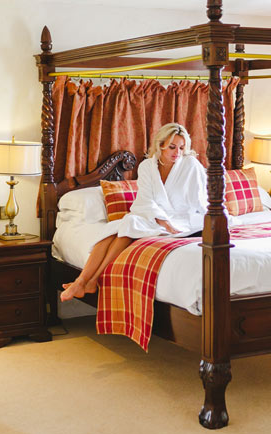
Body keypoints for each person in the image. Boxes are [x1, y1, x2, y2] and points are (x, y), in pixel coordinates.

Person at [60, 123, 207, 302]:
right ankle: (83, 280)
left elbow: (200, 197)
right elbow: (145, 199)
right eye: (172, 147)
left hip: (181, 219)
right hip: (151, 215)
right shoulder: (147, 166)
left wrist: (213, 217)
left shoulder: (190, 164)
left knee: (128, 225)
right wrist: (162, 220)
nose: (177, 152)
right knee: (113, 231)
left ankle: (92, 280)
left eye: (182, 148)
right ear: (160, 145)